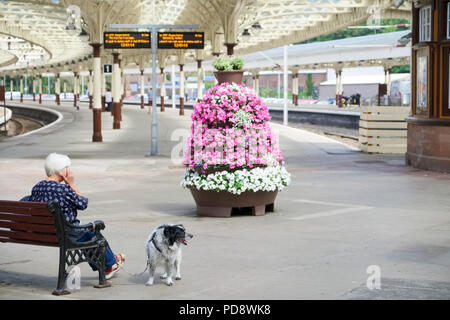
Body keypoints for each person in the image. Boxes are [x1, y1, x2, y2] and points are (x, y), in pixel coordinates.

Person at [27, 153, 125, 279]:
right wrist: (71, 184)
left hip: (44, 233)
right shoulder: (63, 189)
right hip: (67, 233)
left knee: (85, 234)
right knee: (91, 234)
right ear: (61, 171)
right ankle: (110, 264)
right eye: (68, 167)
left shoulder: (37, 187)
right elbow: (83, 203)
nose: (70, 170)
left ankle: (111, 261)